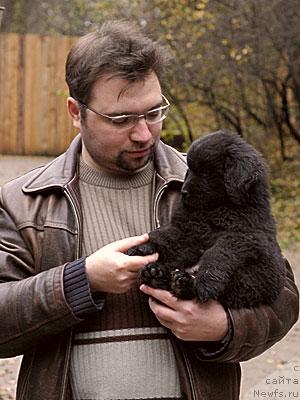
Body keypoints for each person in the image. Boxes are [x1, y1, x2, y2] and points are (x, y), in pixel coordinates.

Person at [0, 20, 298, 400]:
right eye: (122, 119)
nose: (143, 133)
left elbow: (284, 296)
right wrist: (80, 281)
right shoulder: (23, 201)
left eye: (154, 112)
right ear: (76, 112)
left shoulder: (208, 181)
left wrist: (226, 326)